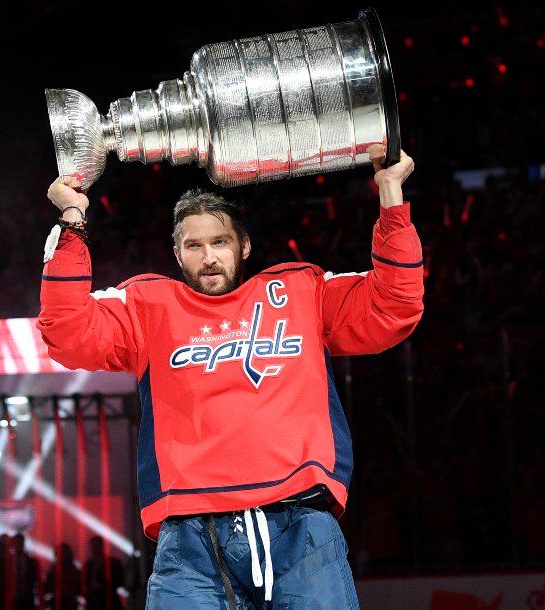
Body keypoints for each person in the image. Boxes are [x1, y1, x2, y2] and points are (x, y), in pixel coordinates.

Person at [38, 142, 423, 608]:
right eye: (194, 246)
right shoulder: (146, 307)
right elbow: (66, 331)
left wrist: (391, 197)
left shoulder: (301, 290)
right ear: (177, 255)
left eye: (219, 242)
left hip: (300, 526)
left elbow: (393, 306)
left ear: (243, 246)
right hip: (190, 538)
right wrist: (73, 221)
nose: (209, 257)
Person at [82, 535, 125, 610]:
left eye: (96, 545)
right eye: (93, 546)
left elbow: (119, 581)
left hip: (109, 600)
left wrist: (102, 586)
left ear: (102, 546)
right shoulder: (87, 565)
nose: (94, 548)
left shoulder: (113, 563)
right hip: (94, 602)